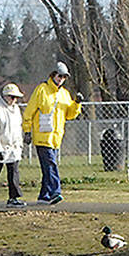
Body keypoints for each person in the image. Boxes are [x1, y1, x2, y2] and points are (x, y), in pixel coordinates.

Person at [23, 62, 82, 205]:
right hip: (42, 136)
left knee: (48, 167)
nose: (61, 79)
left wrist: (76, 104)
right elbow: (29, 112)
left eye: (64, 77)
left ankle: (44, 197)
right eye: (59, 76)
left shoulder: (65, 94)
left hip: (56, 138)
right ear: (53, 75)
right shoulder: (41, 90)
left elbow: (69, 115)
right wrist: (27, 131)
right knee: (51, 164)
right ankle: (56, 191)